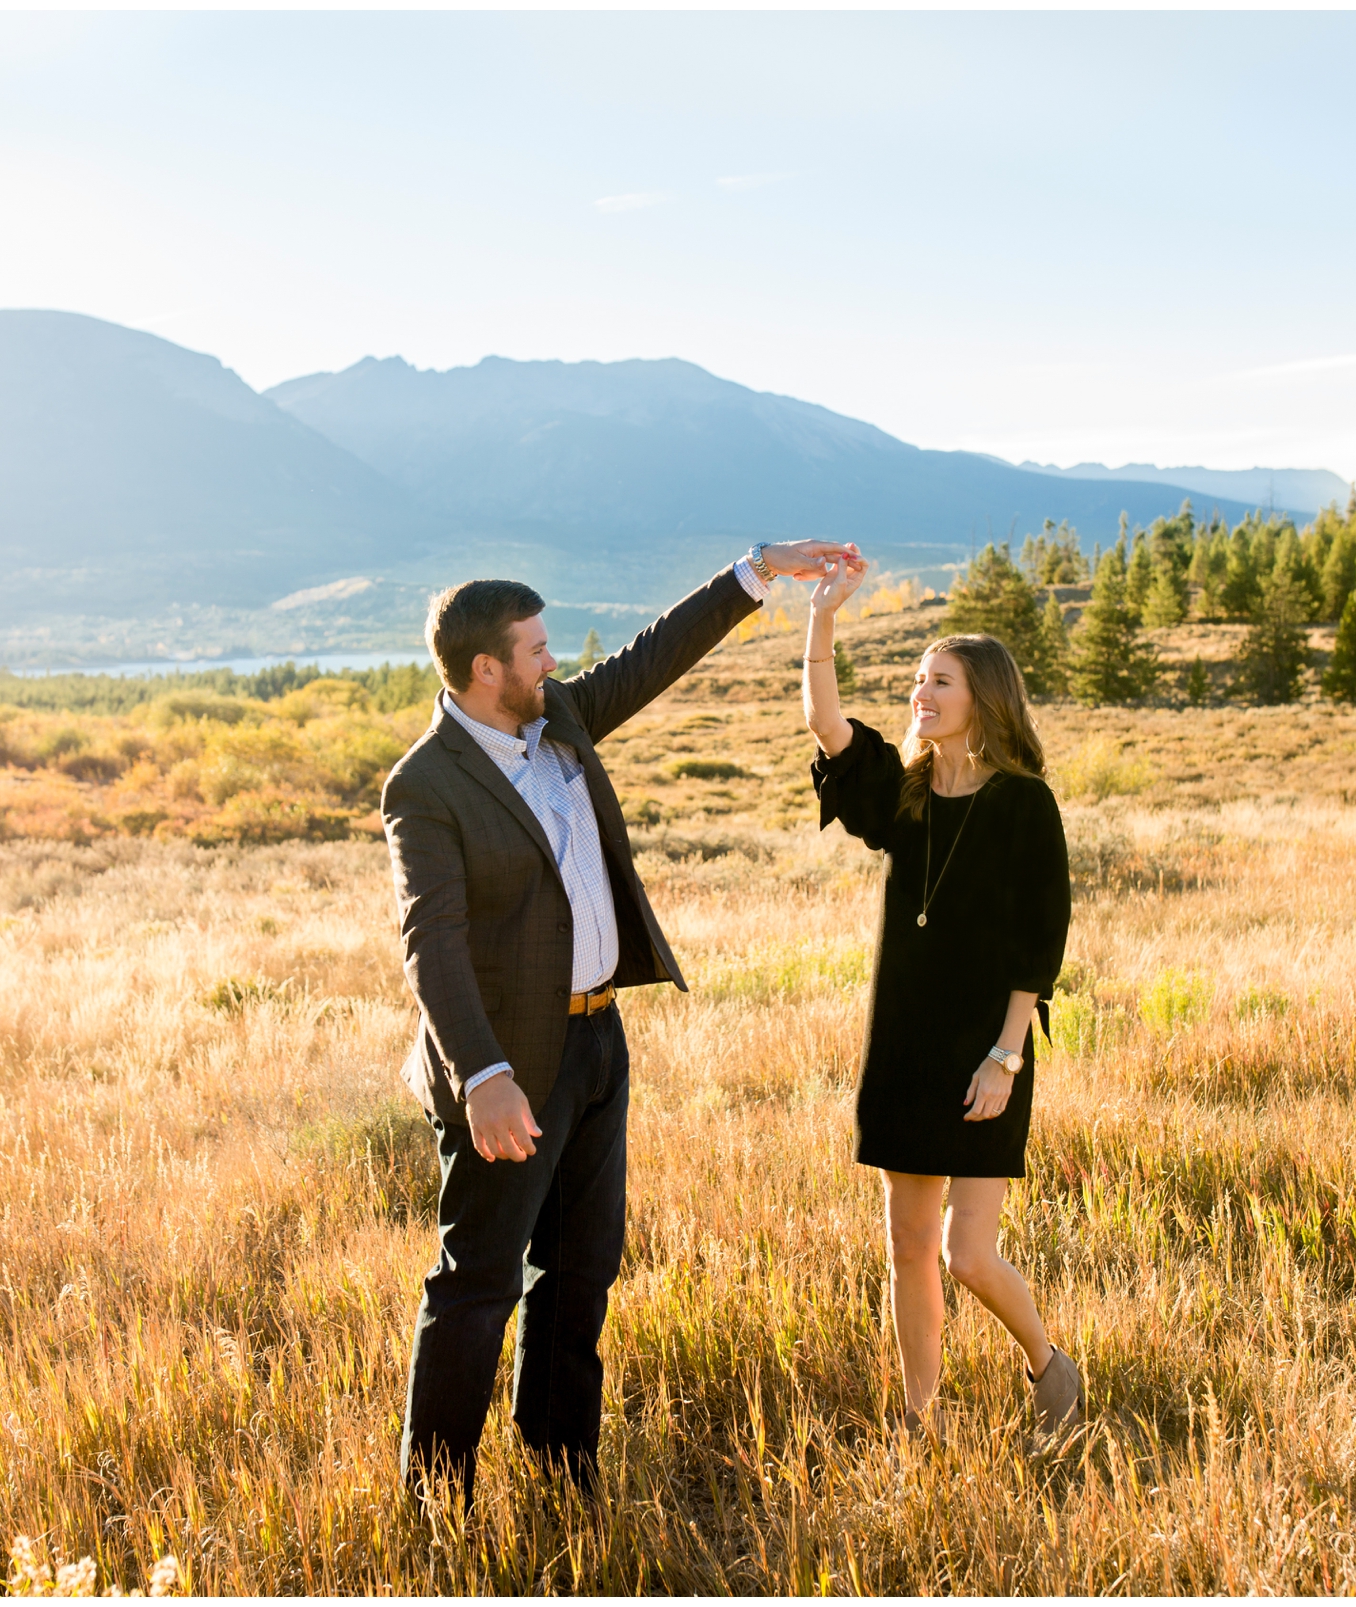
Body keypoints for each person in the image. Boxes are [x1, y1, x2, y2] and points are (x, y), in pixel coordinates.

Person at [384, 540, 865, 1506]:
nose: (555, 661)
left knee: (580, 1271)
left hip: (599, 1042)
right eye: (537, 649)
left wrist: (756, 571)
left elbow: (654, 656)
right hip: (510, 1067)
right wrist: (482, 1075)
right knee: (478, 1282)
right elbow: (428, 944)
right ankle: (436, 1499)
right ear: (488, 670)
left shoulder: (560, 718)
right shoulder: (425, 784)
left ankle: (564, 1467)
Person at [797, 555, 1080, 1438]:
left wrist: (1006, 1054)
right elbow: (827, 723)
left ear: (982, 697)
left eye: (940, 680)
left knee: (965, 1253)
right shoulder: (904, 793)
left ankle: (1049, 1364)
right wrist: (823, 618)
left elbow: (1040, 941)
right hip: (906, 1048)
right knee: (908, 1245)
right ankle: (919, 1418)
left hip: (985, 1051)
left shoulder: (1024, 806)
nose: (922, 691)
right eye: (918, 677)